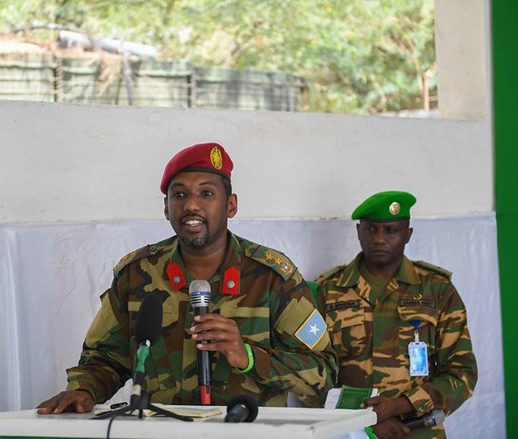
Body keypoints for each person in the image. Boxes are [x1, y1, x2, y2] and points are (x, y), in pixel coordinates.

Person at [37, 142, 337, 414]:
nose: (191, 205)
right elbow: (105, 359)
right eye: (179, 195)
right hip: (162, 432)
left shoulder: (272, 277)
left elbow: (322, 370)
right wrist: (84, 390)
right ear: (166, 208)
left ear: (230, 205)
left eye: (206, 193)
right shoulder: (136, 274)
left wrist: (247, 356)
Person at [314, 191, 477, 439]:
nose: (379, 239)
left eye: (390, 230)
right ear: (358, 232)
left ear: (408, 234)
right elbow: (309, 372)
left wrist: (402, 405)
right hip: (350, 432)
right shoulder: (329, 291)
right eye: (371, 230)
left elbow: (462, 373)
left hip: (419, 429)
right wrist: (365, 423)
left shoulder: (437, 290)